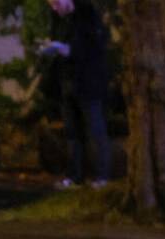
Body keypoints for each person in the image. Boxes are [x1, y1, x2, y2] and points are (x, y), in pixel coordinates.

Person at [42, 0, 109, 188]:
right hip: (67, 82)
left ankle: (101, 176)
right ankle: (74, 176)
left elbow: (95, 47)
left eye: (56, 3)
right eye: (51, 5)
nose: (54, 8)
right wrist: (51, 48)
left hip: (88, 82)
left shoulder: (87, 15)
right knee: (72, 133)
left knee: (95, 130)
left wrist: (68, 50)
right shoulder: (58, 20)